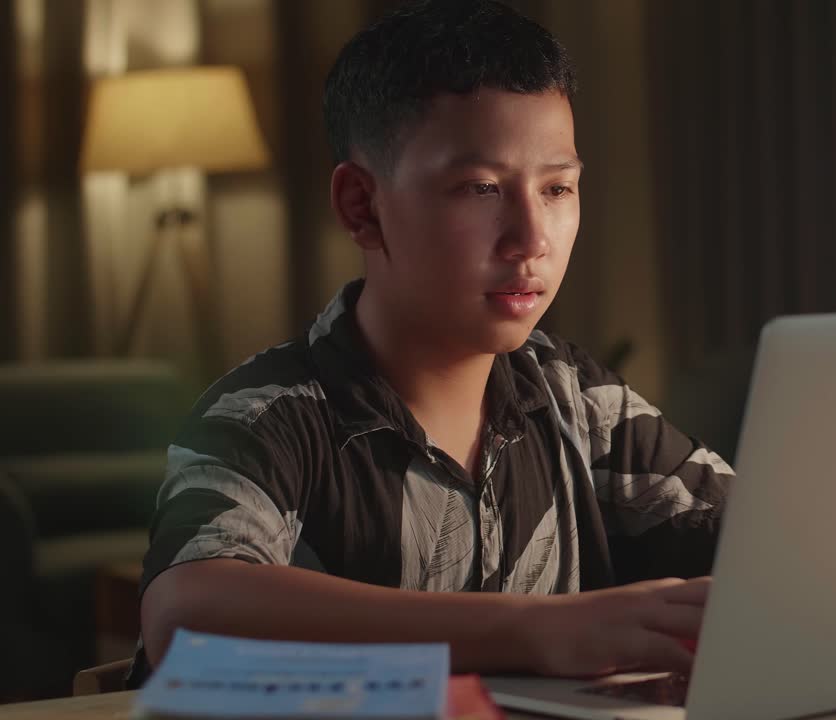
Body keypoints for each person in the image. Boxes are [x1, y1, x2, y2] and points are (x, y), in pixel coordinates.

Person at [127, 0, 732, 688]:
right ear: (362, 206)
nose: (532, 238)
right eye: (480, 188)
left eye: (558, 187)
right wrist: (539, 630)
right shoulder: (267, 417)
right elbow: (186, 615)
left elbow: (763, 543)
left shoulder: (578, 401)